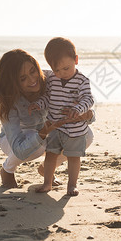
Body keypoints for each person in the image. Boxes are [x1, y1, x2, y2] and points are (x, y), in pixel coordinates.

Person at [0, 49, 94, 189]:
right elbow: (19, 149)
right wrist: (43, 133)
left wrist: (87, 115)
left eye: (33, 71)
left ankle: (46, 169)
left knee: (86, 135)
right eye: (23, 78)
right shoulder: (8, 101)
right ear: (13, 82)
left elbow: (86, 101)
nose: (32, 79)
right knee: (40, 142)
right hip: (15, 140)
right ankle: (8, 170)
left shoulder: (53, 78)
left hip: (51, 131)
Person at [29, 37, 94, 196]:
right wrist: (39, 104)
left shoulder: (82, 81)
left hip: (75, 129)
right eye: (57, 70)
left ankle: (72, 185)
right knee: (51, 155)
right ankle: (47, 183)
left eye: (66, 68)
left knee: (73, 157)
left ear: (76, 60)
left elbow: (88, 99)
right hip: (55, 127)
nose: (62, 73)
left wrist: (78, 109)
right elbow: (48, 97)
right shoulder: (52, 79)